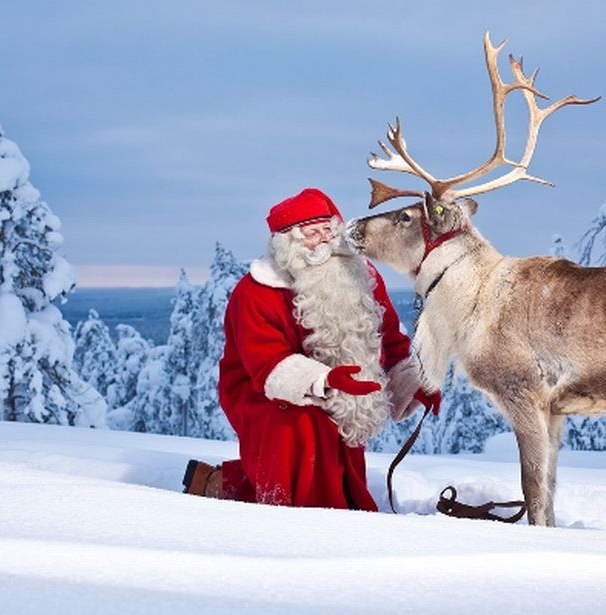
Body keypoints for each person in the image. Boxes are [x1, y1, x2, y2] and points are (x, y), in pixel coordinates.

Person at [182, 188, 440, 511]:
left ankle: (221, 484)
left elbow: (387, 339)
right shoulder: (255, 292)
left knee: (336, 436)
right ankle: (306, 520)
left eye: (327, 231)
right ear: (287, 243)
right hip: (259, 391)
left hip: (341, 389)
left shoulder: (361, 277)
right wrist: (324, 380)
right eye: (311, 234)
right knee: (305, 425)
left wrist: (416, 384)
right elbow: (266, 362)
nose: (322, 242)